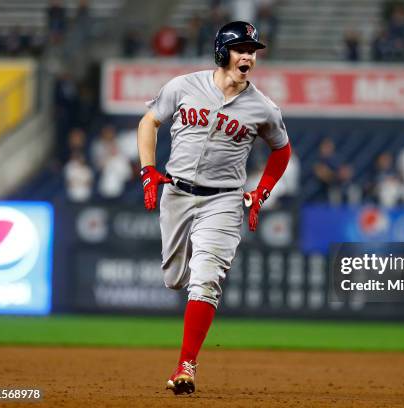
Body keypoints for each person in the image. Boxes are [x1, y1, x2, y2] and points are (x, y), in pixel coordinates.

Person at [136, 21, 291, 395]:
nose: (248, 57)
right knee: (175, 279)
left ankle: (185, 365)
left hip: (223, 199)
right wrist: (147, 171)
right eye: (241, 49)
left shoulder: (263, 108)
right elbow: (149, 122)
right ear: (222, 52)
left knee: (206, 278)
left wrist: (262, 190)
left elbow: (282, 149)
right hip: (177, 192)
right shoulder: (183, 86)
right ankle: (194, 289)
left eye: (253, 51)